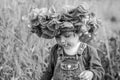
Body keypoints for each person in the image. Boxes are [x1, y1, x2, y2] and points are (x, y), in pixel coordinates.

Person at [27, 3, 105, 80]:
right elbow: (49, 72)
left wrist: (91, 74)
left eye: (67, 36)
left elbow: (99, 71)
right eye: (57, 37)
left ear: (79, 32)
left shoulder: (89, 51)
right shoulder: (55, 50)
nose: (62, 41)